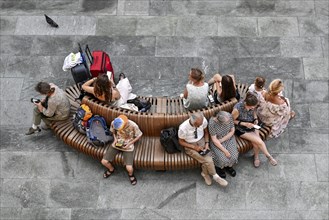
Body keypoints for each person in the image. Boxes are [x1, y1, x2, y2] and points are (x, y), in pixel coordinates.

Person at [178, 112, 228, 187]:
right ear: (193, 123)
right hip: (190, 145)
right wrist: (194, 147)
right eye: (198, 125)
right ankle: (215, 176)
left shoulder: (203, 121)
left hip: (201, 141)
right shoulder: (183, 128)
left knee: (207, 158)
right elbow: (181, 142)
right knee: (208, 160)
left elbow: (206, 132)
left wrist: (207, 143)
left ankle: (205, 174)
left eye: (201, 124)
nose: (200, 126)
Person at [231, 92, 277, 168]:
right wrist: (245, 124)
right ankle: (269, 156)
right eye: (251, 107)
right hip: (241, 128)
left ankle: (256, 157)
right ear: (246, 104)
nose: (253, 108)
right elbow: (231, 120)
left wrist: (255, 118)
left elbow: (254, 111)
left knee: (256, 143)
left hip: (252, 124)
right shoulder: (237, 109)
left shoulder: (252, 103)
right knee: (259, 141)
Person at [101, 114, 143, 185]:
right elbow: (114, 132)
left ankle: (131, 175)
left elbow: (139, 135)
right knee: (104, 161)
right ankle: (111, 169)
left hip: (128, 144)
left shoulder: (133, 125)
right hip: (117, 142)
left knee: (129, 168)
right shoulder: (114, 123)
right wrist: (115, 140)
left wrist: (129, 144)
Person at [208, 111, 239, 178]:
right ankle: (219, 168)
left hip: (228, 137)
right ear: (219, 122)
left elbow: (232, 131)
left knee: (233, 156)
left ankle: (229, 167)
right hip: (217, 141)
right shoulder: (212, 123)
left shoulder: (228, 116)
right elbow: (214, 139)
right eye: (226, 123)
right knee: (222, 159)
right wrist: (225, 151)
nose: (229, 122)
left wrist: (223, 139)